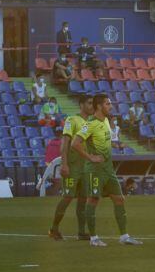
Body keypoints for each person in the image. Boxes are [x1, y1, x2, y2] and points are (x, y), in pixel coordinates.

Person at [74, 94, 142, 247]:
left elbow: (105, 142)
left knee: (119, 199)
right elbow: (75, 143)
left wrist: (116, 145)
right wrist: (90, 157)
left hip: (108, 169)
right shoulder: (90, 124)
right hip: (94, 170)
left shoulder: (105, 120)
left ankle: (124, 236)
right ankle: (93, 238)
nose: (110, 106)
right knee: (93, 200)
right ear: (99, 106)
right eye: (107, 104)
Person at [48, 95, 93, 241]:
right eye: (89, 103)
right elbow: (65, 142)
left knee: (83, 199)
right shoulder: (72, 120)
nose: (92, 106)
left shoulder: (92, 123)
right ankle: (54, 229)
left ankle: (81, 232)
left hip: (85, 167)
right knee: (67, 197)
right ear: (81, 105)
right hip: (72, 166)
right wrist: (64, 163)